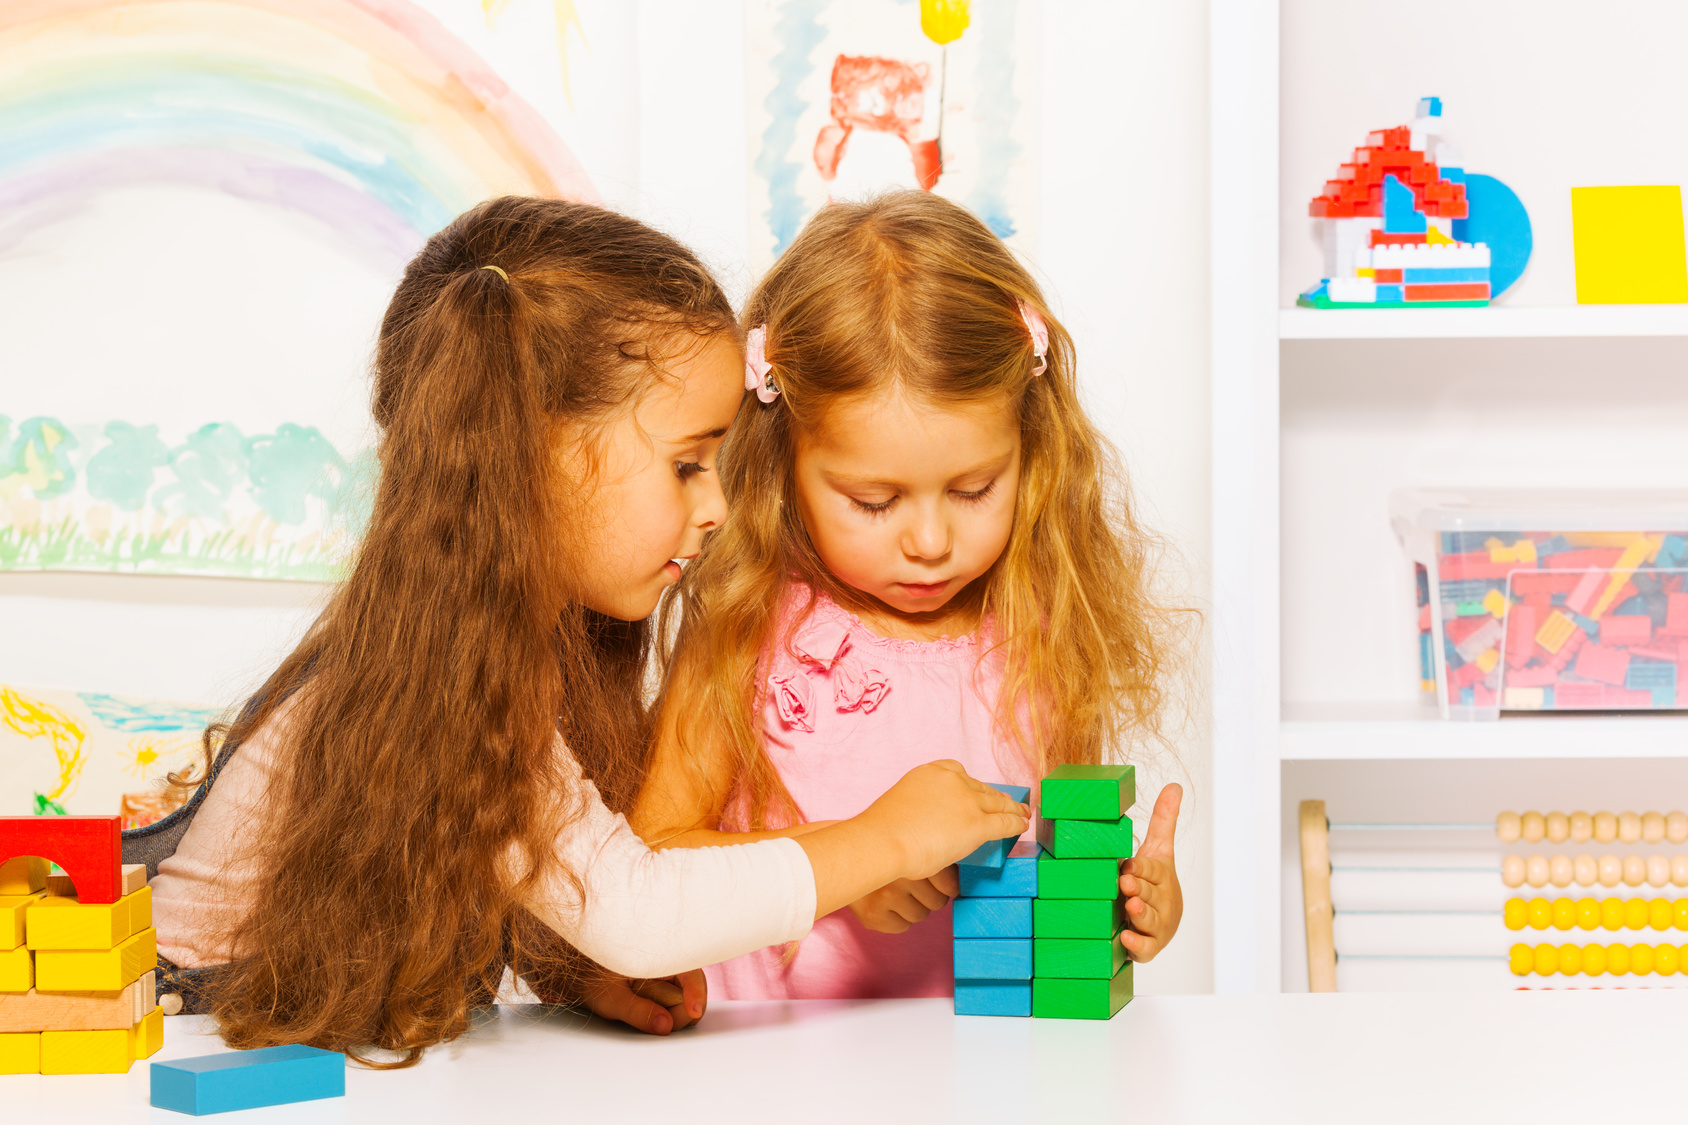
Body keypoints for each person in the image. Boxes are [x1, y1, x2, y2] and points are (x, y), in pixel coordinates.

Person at [139, 196, 1029, 1064]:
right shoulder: (448, 672)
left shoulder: (499, 645)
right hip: (176, 1028)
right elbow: (637, 910)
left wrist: (564, 963)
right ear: (537, 463)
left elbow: (507, 860)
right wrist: (887, 840)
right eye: (686, 465)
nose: (718, 506)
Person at [634, 191, 1189, 999]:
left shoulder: (1043, 629)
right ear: (786, 462)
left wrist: (1133, 905)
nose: (929, 541)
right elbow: (653, 859)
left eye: (973, 488)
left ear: (1028, 449)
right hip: (770, 1065)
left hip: (975, 1066)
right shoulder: (749, 628)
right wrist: (857, 857)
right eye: (872, 500)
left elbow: (1061, 865)